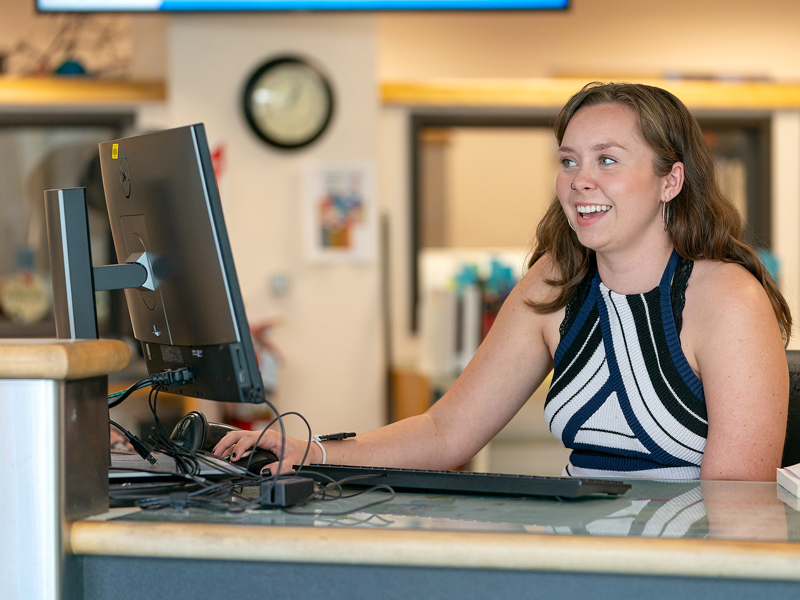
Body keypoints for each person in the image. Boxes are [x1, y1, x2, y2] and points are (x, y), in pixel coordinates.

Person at [215, 82, 791, 482]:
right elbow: (446, 432)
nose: (580, 182)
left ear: (671, 181)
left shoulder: (727, 298)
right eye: (569, 162)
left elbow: (734, 503)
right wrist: (311, 450)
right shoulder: (556, 283)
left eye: (608, 161)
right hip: (584, 557)